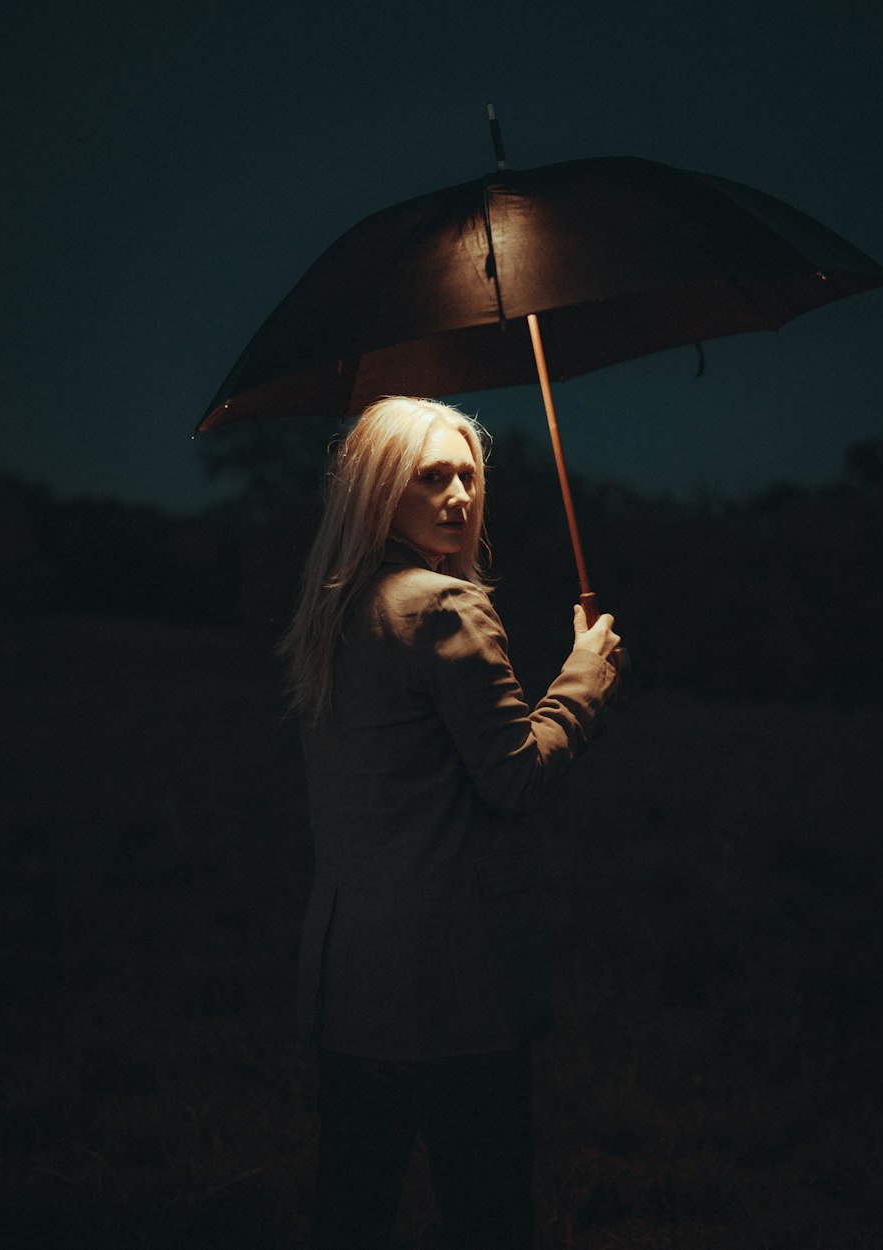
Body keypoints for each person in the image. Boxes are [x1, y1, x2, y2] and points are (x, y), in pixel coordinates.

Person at [281, 396, 621, 1249]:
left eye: (469, 475)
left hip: (350, 977)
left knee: (352, 1207)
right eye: (432, 477)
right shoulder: (442, 609)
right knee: (488, 1211)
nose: (460, 496)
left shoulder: (335, 612)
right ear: (377, 490)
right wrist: (582, 680)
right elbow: (516, 777)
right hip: (451, 983)